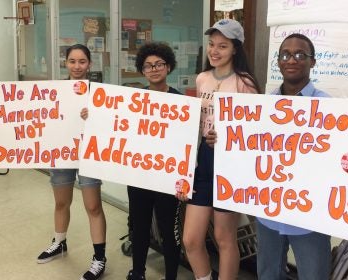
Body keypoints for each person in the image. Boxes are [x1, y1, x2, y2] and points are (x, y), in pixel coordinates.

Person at [179, 19, 260, 280]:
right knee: (191, 239)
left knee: (224, 238)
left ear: (235, 49)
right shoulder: (202, 78)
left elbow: (254, 130)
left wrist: (226, 138)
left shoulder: (245, 83)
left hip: (231, 164)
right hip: (203, 160)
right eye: (212, 44)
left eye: (222, 46)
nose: (214, 51)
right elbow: (196, 121)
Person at [256, 33, 331, 280]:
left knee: (314, 275)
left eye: (300, 55)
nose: (292, 60)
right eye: (285, 54)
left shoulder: (329, 108)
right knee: (268, 275)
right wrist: (220, 141)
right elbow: (247, 148)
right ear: (278, 62)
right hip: (268, 213)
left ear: (313, 62)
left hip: (310, 216)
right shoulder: (262, 106)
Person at [37, 44, 107, 280]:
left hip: (88, 153)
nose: (77, 66)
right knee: (61, 203)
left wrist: (96, 115)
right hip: (61, 152)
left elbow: (112, 124)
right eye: (72, 61)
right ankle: (59, 242)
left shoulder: (99, 92)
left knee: (93, 206)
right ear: (65, 63)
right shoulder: (55, 91)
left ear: (90, 64)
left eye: (82, 62)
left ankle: (99, 258)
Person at [126, 42, 182, 280]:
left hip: (168, 179)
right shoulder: (133, 100)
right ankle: (138, 272)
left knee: (169, 231)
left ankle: (171, 276)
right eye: (148, 66)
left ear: (168, 66)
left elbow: (185, 143)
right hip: (139, 175)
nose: (154, 69)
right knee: (139, 227)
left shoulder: (181, 102)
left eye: (159, 64)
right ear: (142, 70)